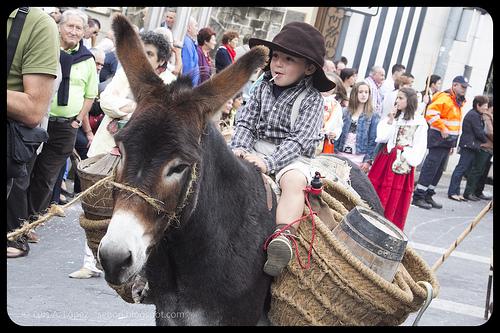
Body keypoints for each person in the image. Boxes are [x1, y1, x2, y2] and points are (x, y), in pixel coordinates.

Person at [229, 22, 335, 277]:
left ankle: (283, 234)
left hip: (292, 156)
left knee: (294, 182)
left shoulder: (311, 99)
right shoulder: (261, 87)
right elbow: (245, 120)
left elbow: (300, 140)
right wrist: (241, 148)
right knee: (225, 163)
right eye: (276, 56)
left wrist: (269, 162)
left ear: (308, 68)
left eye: (288, 59)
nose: (278, 63)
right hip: (256, 145)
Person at [28, 9, 98, 215]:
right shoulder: (46, 49)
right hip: (38, 118)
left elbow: (90, 94)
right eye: (70, 26)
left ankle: (31, 220)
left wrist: (77, 120)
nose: (74, 31)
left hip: (66, 126)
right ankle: (14, 217)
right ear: (59, 27)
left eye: (79, 28)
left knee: (47, 176)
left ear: (84, 32)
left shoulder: (87, 59)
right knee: (27, 169)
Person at [7, 7, 60, 258]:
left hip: (52, 130)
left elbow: (34, 109)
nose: (73, 31)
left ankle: (18, 233)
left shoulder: (38, 24)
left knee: (38, 178)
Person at [88, 31, 176, 158]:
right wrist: (135, 106)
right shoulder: (126, 72)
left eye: (149, 54)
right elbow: (106, 101)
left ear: (161, 60)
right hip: (105, 150)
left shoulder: (170, 83)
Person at [368, 87, 428, 230]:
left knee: (394, 196)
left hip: (402, 162)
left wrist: (406, 155)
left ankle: (388, 227)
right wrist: (390, 119)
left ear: (410, 101)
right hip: (386, 159)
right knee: (377, 191)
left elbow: (419, 146)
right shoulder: (394, 117)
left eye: (401, 98)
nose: (397, 101)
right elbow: (382, 137)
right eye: (397, 98)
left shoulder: (419, 122)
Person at [412, 75, 470, 209]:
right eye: (462, 87)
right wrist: (442, 128)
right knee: (431, 168)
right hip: (439, 139)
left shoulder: (456, 101)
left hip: (447, 141)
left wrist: (452, 145)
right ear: (454, 85)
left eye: (465, 88)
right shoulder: (445, 98)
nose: (464, 90)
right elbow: (431, 114)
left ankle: (428, 194)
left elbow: (455, 126)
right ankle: (418, 196)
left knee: (438, 171)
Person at [447, 95, 489, 201]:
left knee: (464, 169)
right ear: (478, 105)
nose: (486, 108)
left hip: (471, 145)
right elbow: (478, 132)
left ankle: (456, 191)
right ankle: (453, 192)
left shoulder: (476, 114)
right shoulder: (473, 115)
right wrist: (486, 141)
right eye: (484, 106)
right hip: (469, 145)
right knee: (461, 168)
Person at [334, 81, 380, 173]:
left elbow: (373, 140)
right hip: (340, 154)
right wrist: (333, 152)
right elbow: (337, 132)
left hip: (359, 157)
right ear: (355, 93)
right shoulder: (344, 111)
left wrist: (368, 161)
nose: (364, 95)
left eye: (366, 92)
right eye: (360, 92)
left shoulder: (373, 115)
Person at [464, 97, 493, 200]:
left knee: (482, 171)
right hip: (484, 146)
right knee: (477, 170)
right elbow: (489, 132)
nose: (485, 107)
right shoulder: (486, 116)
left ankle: (477, 192)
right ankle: (469, 192)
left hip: (489, 147)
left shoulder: (488, 115)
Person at [321, 72, 344, 151]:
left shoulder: (336, 105)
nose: (328, 87)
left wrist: (335, 133)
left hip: (325, 140)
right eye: (325, 83)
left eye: (331, 85)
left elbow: (339, 124)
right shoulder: (312, 99)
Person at [181, 16, 200, 87]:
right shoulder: (187, 42)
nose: (197, 28)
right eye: (195, 26)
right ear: (189, 28)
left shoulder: (190, 42)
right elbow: (187, 67)